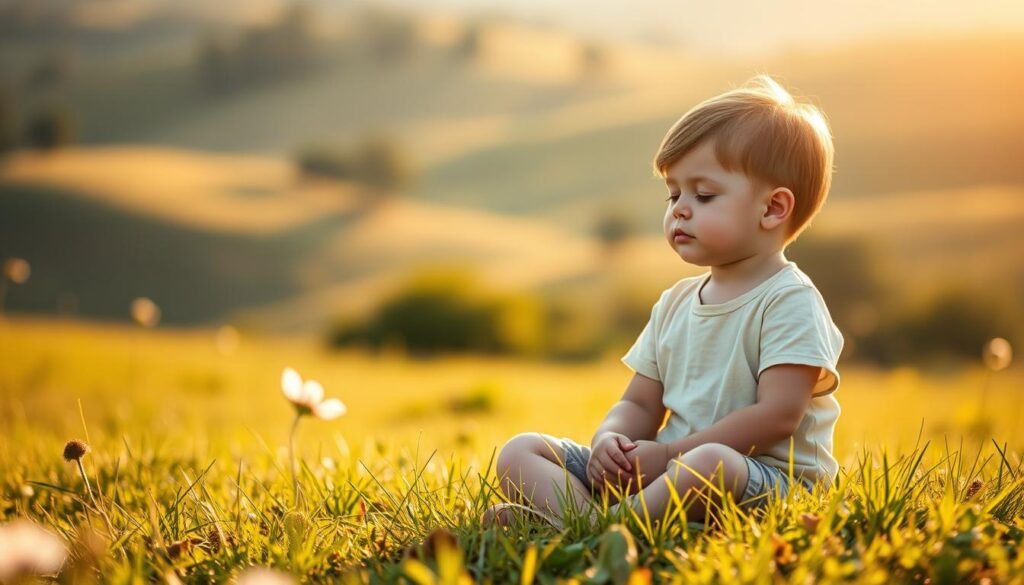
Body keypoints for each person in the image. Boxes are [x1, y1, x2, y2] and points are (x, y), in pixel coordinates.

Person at [483, 74, 845, 529]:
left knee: (712, 461)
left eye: (704, 194)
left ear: (773, 208)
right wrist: (610, 442)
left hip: (761, 479)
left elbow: (777, 416)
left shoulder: (790, 301)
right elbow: (639, 404)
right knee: (523, 450)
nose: (679, 209)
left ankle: (595, 528)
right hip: (665, 471)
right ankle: (589, 522)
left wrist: (671, 455)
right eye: (673, 193)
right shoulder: (674, 303)